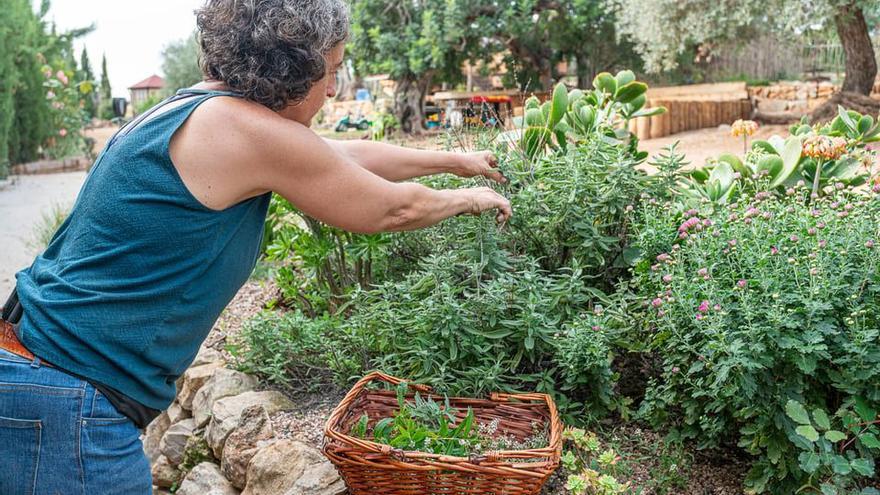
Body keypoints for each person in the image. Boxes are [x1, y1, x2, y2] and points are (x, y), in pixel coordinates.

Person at [0, 1, 511, 493]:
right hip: (67, 400)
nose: (333, 90)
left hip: (40, 377)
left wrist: (453, 162)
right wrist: (469, 201)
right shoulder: (238, 130)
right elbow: (387, 209)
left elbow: (340, 154)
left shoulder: (201, 110)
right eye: (330, 70)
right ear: (293, 63)